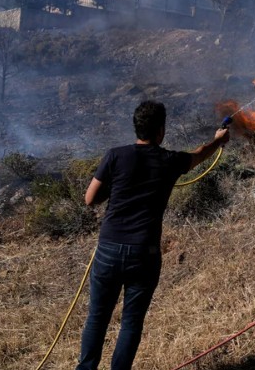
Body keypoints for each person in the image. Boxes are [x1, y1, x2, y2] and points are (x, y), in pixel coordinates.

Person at [76, 100, 230, 370]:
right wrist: (218, 141)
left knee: (97, 318)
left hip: (109, 249)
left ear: (137, 128)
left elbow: (90, 199)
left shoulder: (115, 155)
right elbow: (199, 154)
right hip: (144, 253)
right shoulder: (170, 160)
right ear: (160, 130)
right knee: (131, 322)